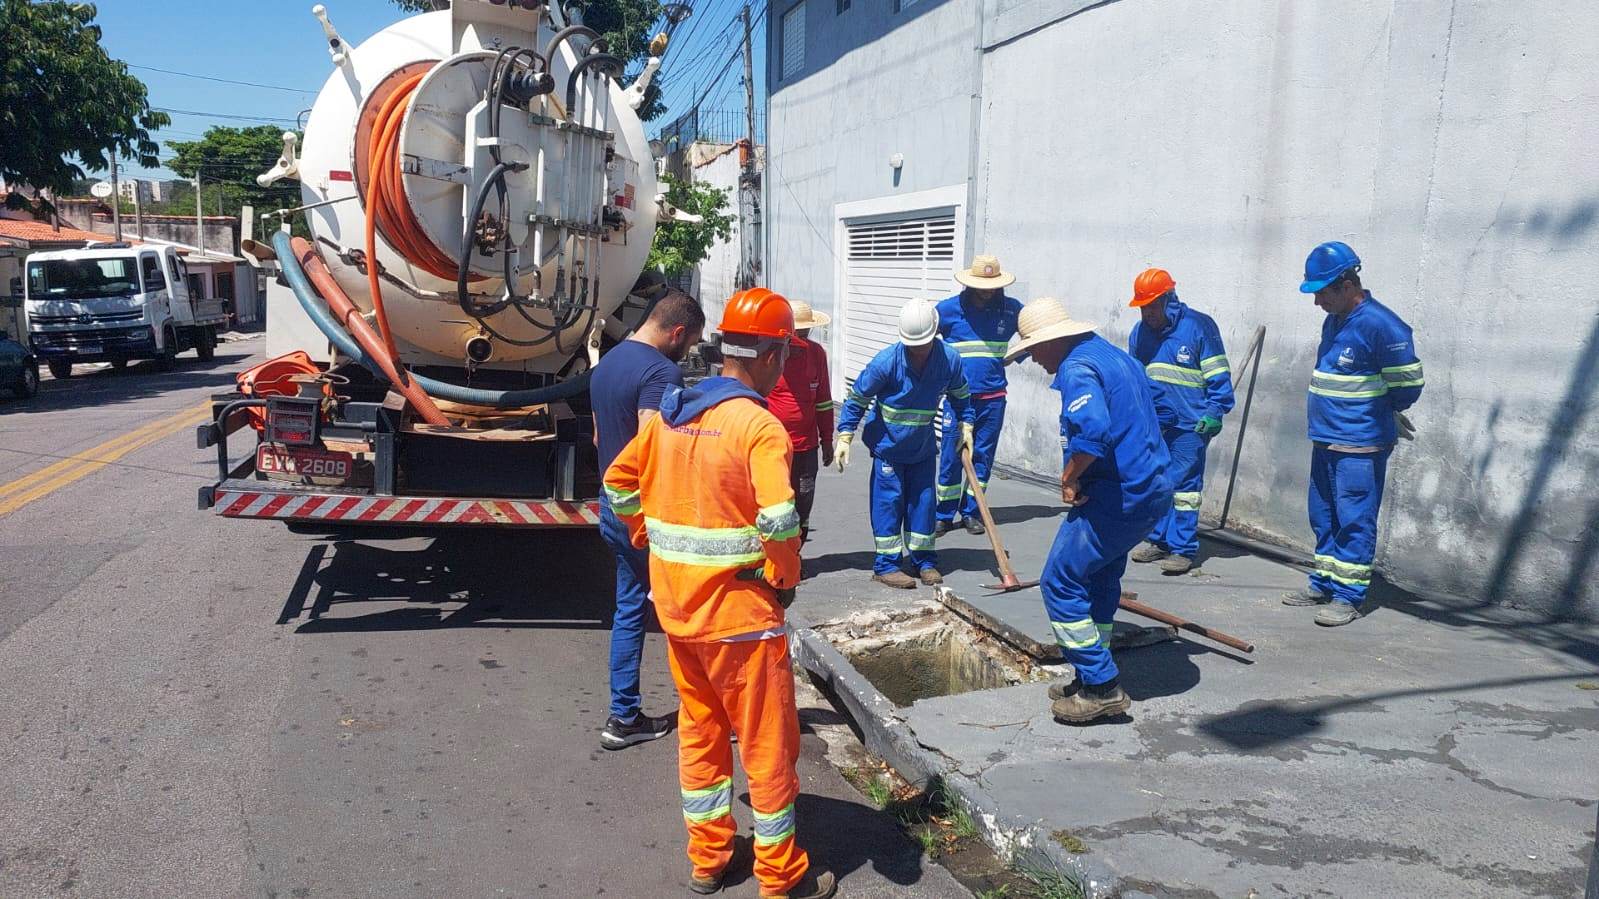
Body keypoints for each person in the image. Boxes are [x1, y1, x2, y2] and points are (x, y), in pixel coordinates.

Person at [603, 287, 836, 899]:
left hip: (679, 616)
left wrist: (647, 538)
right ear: (774, 353)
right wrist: (784, 577)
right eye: (785, 352)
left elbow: (618, 481)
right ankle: (782, 876)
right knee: (766, 744)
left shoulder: (677, 410)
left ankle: (708, 861)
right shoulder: (757, 425)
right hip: (742, 619)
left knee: (701, 736)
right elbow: (781, 519)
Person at [1005, 297, 1172, 725]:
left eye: (1032, 351)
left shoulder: (1078, 368)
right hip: (1148, 490)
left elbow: (1092, 432)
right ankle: (1090, 669)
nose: (1033, 361)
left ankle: (1101, 687)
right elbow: (1153, 409)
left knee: (1059, 582)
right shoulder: (1112, 355)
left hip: (1118, 496)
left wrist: (1069, 477)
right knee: (1098, 579)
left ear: (1053, 341)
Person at [1284, 241, 1423, 627]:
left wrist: (1384, 411)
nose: (1316, 303)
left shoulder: (1383, 326)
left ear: (1346, 285)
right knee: (1323, 514)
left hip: (1359, 442)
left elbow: (1407, 385)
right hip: (1327, 436)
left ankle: (1348, 595)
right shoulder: (1336, 319)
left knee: (1354, 517)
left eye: (1321, 293)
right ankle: (1325, 580)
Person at [588, 289, 705, 750]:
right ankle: (707, 713)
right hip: (647, 512)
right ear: (676, 332)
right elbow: (652, 446)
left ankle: (623, 716)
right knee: (688, 607)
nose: (690, 351)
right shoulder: (661, 371)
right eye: (691, 342)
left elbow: (602, 438)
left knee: (631, 606)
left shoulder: (608, 364)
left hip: (612, 503)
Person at [835, 298, 974, 588]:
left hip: (921, 447)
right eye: (913, 344)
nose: (918, 349)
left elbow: (961, 396)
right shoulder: (886, 363)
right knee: (889, 503)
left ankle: (924, 560)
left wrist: (966, 424)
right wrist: (845, 434)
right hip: (888, 447)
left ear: (935, 334)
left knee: (923, 504)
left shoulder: (949, 360)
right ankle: (886, 565)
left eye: (923, 343)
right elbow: (858, 398)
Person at [1125, 268, 1236, 574]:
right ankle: (1159, 540)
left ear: (1169, 300)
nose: (1148, 313)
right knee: (1158, 481)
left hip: (1191, 424)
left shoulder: (1199, 327)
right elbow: (1136, 377)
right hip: (1156, 423)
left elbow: (1217, 375)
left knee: (1184, 487)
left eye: (1152, 306)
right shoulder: (1140, 333)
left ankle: (1183, 548)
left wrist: (1216, 411)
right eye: (1143, 307)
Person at [934, 255, 1025, 537]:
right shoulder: (947, 310)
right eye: (982, 285)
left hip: (994, 398)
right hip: (958, 399)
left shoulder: (1011, 310)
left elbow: (1034, 335)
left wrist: (1013, 355)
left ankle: (972, 510)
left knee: (982, 457)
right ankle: (944, 514)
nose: (987, 291)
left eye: (992, 286)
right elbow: (922, 340)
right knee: (951, 456)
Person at [765, 300, 835, 543]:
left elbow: (824, 401)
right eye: (796, 333)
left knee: (803, 500)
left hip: (806, 447)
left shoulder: (816, 354)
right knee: (775, 502)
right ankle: (774, 556)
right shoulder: (771, 356)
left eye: (805, 332)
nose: (800, 339)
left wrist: (827, 440)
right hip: (773, 446)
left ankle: (796, 552)